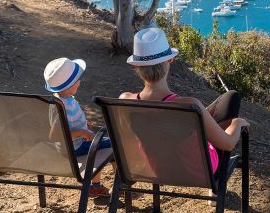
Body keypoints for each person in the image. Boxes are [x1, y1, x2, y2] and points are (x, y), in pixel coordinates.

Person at [119, 28, 249, 173]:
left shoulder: (125, 101)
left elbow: (128, 142)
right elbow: (228, 144)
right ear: (170, 59)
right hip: (197, 171)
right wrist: (237, 124)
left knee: (210, 109)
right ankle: (214, 189)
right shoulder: (189, 105)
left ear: (136, 65)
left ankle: (201, 122)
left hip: (156, 168)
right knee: (231, 97)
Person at [44, 57, 111, 198]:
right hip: (74, 148)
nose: (80, 81)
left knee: (101, 143)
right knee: (114, 144)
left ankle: (96, 186)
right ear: (70, 86)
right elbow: (55, 135)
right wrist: (80, 131)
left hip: (68, 146)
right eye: (78, 80)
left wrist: (83, 125)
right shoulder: (64, 106)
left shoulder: (59, 99)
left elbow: (67, 123)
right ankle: (102, 186)